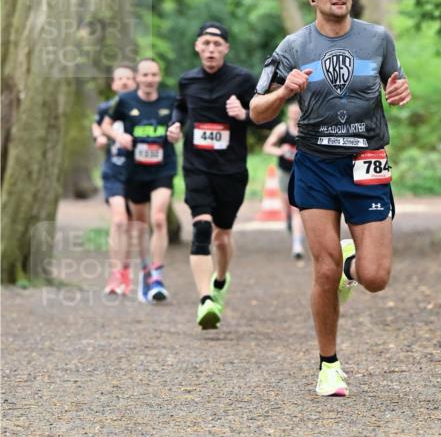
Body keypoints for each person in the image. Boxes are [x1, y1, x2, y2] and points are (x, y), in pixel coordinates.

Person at [250, 0, 411, 397]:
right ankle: (329, 365)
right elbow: (256, 110)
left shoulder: (378, 39)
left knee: (375, 277)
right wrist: (285, 91)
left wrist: (400, 91)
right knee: (324, 269)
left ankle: (350, 265)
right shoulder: (293, 46)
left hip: (367, 162)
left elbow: (396, 84)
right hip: (316, 164)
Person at [167, 22, 258, 330]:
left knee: (222, 237)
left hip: (231, 170)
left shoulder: (242, 80)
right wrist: (175, 125)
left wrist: (244, 115)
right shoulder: (187, 80)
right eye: (205, 43)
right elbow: (180, 107)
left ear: (226, 49)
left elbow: (266, 116)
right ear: (197, 46)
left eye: (217, 45)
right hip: (196, 166)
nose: (211, 49)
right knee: (202, 227)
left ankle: (220, 279)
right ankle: (205, 300)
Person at [103, 58, 177, 303]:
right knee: (140, 225)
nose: (149, 79)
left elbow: (180, 126)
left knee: (159, 218)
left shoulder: (170, 100)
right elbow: (105, 125)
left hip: (163, 168)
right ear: (137, 78)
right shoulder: (125, 101)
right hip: (135, 172)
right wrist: (118, 137)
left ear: (159, 77)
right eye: (145, 75)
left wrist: (175, 133)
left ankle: (157, 275)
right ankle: (145, 270)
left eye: (154, 75)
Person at [92, 65, 136, 295]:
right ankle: (115, 273)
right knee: (119, 221)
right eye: (120, 79)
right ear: (113, 84)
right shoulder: (106, 108)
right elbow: (96, 125)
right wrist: (99, 137)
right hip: (113, 171)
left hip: (137, 173)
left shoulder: (141, 107)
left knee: (129, 224)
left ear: (135, 82)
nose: (125, 82)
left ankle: (125, 273)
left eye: (129, 78)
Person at [262, 101, 305, 260]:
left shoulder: (306, 129)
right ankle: (289, 222)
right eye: (292, 113)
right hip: (285, 172)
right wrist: (280, 151)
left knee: (296, 208)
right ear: (288, 113)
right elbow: (267, 147)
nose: (295, 115)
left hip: (300, 173)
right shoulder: (282, 129)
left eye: (297, 113)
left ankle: (297, 245)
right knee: (287, 207)